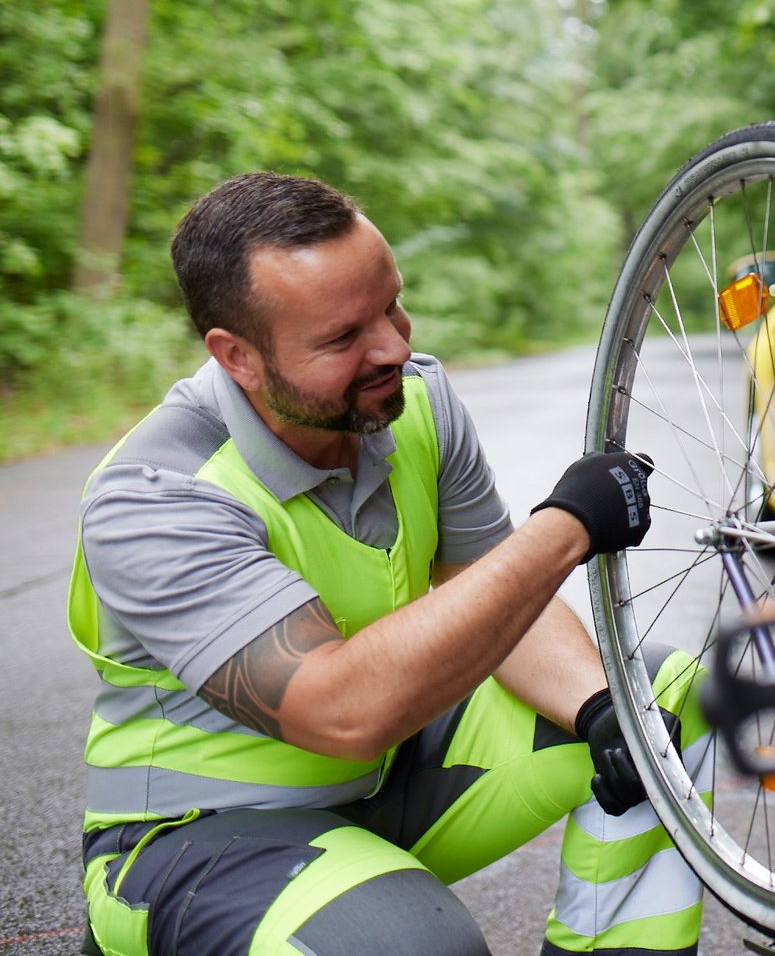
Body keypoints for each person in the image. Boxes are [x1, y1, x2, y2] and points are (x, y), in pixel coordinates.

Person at [69, 173, 706, 956]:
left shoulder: (413, 402)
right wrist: (565, 527)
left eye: (392, 305)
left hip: (386, 782)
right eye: (343, 338)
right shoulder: (158, 496)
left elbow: (501, 603)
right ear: (238, 356)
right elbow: (341, 710)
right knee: (410, 948)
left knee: (659, 705)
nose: (395, 347)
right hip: (202, 836)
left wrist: (600, 709)